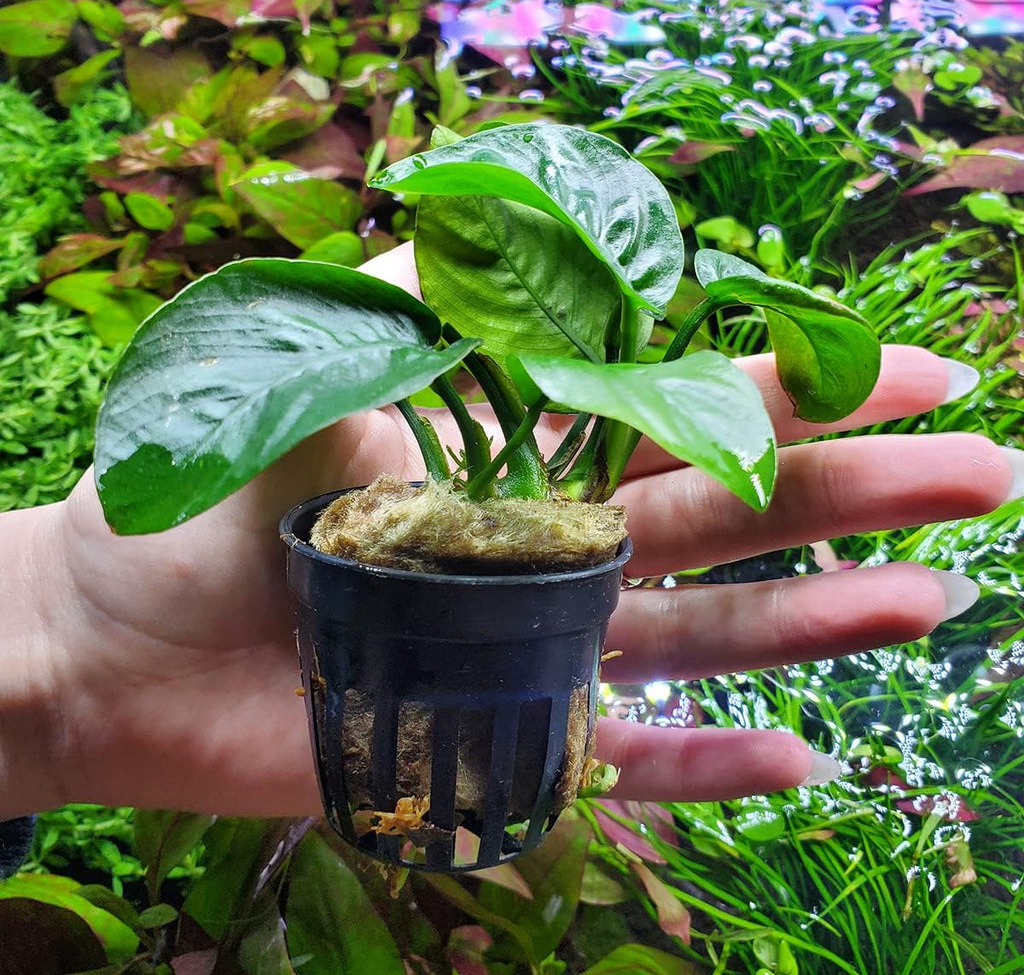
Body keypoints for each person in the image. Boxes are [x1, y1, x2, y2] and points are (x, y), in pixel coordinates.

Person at [0, 243, 1020, 829]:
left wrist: (61, 642)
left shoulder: (585, 455)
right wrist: (61, 616)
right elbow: (163, 468)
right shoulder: (386, 501)